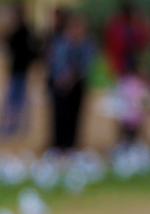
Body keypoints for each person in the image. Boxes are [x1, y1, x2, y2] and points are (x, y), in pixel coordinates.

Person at [47, 13, 95, 152]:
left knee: (75, 114)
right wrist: (62, 77)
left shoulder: (86, 44)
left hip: (77, 83)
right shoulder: (60, 42)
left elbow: (88, 63)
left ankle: (71, 143)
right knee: (60, 114)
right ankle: (58, 143)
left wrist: (74, 76)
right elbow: (55, 62)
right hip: (60, 83)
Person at [0, 3, 38, 138]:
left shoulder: (24, 31)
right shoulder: (19, 31)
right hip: (17, 69)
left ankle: (16, 127)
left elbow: (31, 50)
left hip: (21, 69)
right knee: (15, 100)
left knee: (18, 100)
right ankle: (13, 127)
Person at [103, 2, 150, 80]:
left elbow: (146, 41)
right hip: (120, 68)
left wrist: (144, 23)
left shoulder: (132, 28)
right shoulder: (119, 27)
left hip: (129, 68)